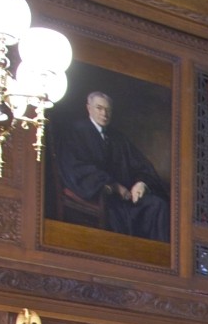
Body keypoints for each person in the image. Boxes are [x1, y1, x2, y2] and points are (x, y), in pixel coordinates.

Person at [54, 91, 172, 242]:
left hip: (125, 197)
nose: (104, 113)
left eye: (108, 110)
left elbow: (140, 165)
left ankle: (155, 256)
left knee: (158, 205)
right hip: (98, 194)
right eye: (99, 108)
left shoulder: (117, 138)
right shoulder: (76, 132)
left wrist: (141, 183)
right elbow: (76, 168)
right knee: (117, 215)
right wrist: (113, 186)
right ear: (89, 108)